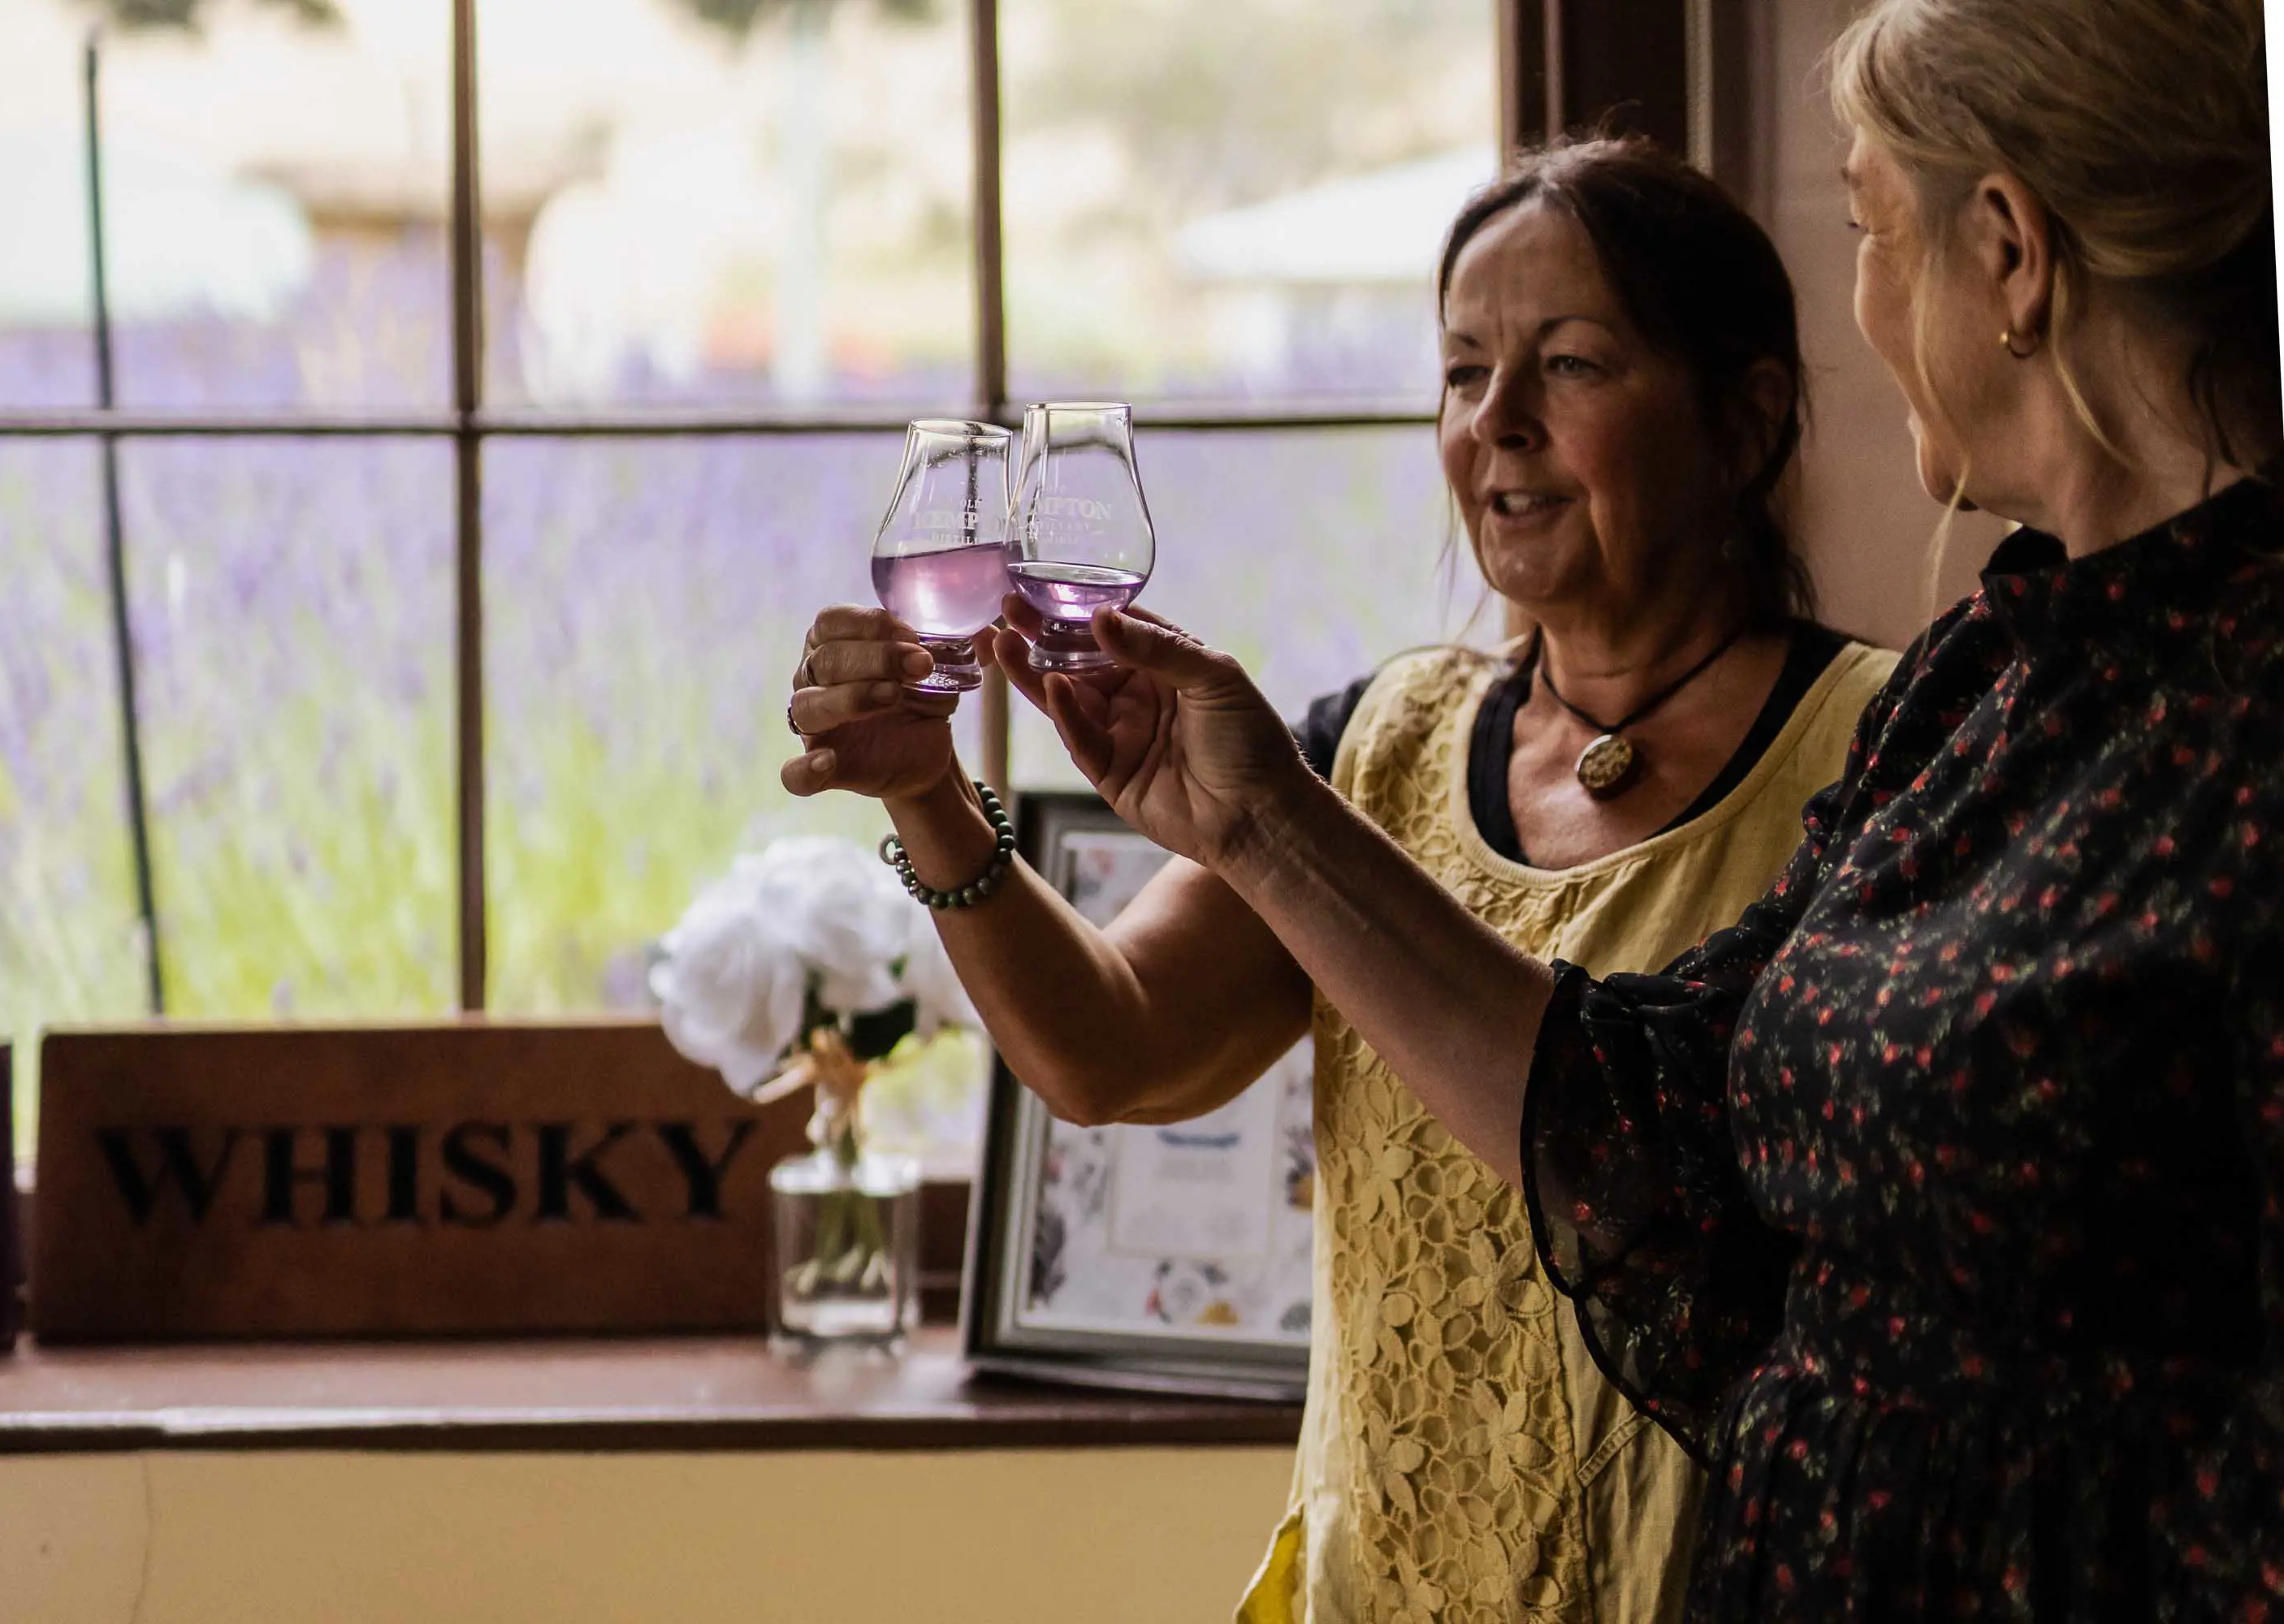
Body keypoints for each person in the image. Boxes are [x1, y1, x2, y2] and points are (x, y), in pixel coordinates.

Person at [876, 0, 2275, 1613]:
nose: (1497, 424)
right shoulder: (2000, 681)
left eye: (1869, 227)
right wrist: (1200, 814)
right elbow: (1659, 1121)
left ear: (2011, 258)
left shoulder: (2041, 707)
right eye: (1464, 372)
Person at [785, 139, 1895, 1620]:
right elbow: (1108, 1049)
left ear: (1745, 419)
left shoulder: (1886, 757)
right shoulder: (1376, 747)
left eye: (1566, 366)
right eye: (1460, 371)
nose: (1494, 425)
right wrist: (927, 796)